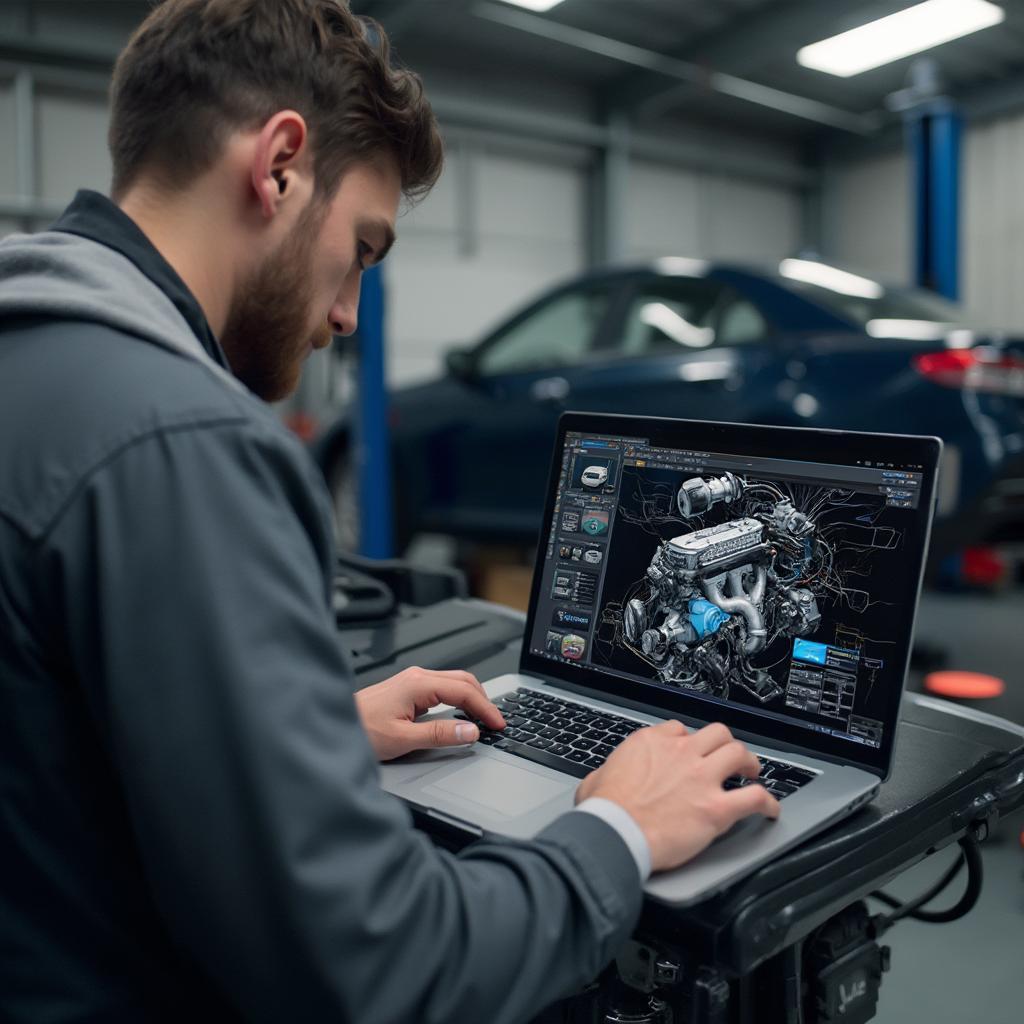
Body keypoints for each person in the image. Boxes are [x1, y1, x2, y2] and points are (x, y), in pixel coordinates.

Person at [0, 2, 779, 1021]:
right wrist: (618, 833)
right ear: (278, 164)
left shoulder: (34, 361)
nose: (347, 314)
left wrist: (294, 735)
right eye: (363, 248)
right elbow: (383, 971)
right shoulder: (179, 443)